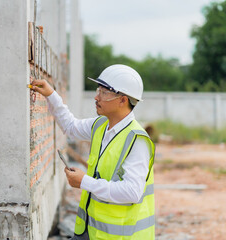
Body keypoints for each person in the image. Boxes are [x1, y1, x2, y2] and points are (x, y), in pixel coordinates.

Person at [31, 64, 155, 240]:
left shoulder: (137, 140)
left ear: (123, 100)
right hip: (91, 230)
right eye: (98, 90)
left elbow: (132, 192)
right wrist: (51, 95)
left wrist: (84, 181)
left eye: (104, 93)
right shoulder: (101, 125)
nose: (96, 97)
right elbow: (70, 126)